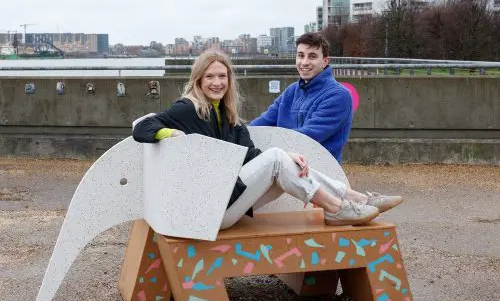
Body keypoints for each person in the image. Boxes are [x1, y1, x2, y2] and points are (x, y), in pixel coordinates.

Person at [132, 50, 403, 230]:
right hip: (209, 210)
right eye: (210, 77)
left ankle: (357, 198)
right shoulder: (187, 108)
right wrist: (172, 134)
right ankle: (336, 207)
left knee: (281, 158)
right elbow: (142, 127)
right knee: (276, 158)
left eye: (222, 76)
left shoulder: (228, 117)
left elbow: (251, 156)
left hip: (229, 197)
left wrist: (288, 156)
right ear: (198, 80)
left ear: (229, 80)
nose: (217, 82)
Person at [250, 32, 352, 163]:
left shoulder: (338, 96)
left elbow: (304, 140)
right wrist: (240, 136)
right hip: (286, 164)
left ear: (325, 62)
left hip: (318, 171)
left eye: (312, 56)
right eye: (300, 56)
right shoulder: (292, 91)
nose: (304, 62)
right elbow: (263, 122)